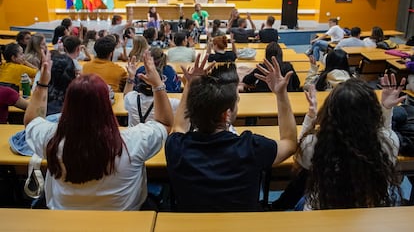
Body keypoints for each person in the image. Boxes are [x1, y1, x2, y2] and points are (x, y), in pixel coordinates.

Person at [24, 50, 174, 210]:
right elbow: (164, 122)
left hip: (66, 222)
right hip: (124, 223)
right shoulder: (134, 141)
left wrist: (42, 83)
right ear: (108, 105)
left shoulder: (51, 139)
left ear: (68, 105)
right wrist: (158, 85)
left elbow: (32, 120)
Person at [165, 54, 297, 212]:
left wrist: (190, 85)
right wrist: (281, 94)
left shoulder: (177, 148)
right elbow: (290, 142)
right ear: (226, 114)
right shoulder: (252, 147)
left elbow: (179, 126)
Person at [297, 75, 403, 210]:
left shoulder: (314, 144)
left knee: (301, 202)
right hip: (372, 213)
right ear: (373, 112)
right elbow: (386, 137)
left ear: (329, 113)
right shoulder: (388, 142)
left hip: (322, 210)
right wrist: (387, 110)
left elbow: (299, 151)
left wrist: (311, 116)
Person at [124, 55, 180, 127]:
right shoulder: (172, 103)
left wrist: (131, 76)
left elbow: (126, 96)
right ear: (162, 82)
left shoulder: (131, 98)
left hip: (136, 136)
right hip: (160, 138)